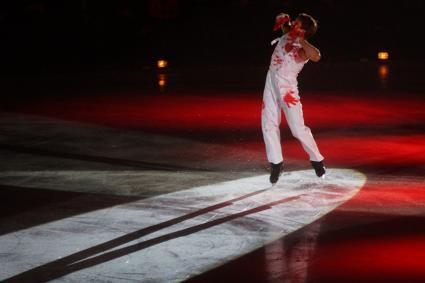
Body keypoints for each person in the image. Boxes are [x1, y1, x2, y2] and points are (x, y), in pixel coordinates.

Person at [262, 13, 326, 184]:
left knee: (297, 129)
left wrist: (302, 39)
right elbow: (283, 22)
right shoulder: (288, 31)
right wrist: (282, 19)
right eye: (294, 22)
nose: (293, 25)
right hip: (271, 81)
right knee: (268, 123)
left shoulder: (302, 47)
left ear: (303, 30)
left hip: (287, 89)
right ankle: (276, 163)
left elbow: (317, 56)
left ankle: (317, 159)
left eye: (297, 24)